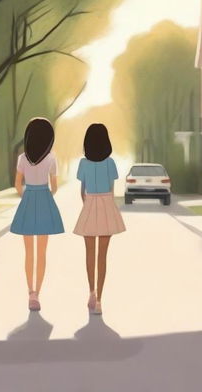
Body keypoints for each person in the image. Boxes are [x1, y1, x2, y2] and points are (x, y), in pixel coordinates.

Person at [10, 117, 64, 312]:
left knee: (28, 252)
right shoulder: (51, 158)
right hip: (44, 200)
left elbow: (17, 184)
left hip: (28, 200)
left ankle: (30, 292)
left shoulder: (22, 158)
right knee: (42, 252)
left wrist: (26, 195)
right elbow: (55, 187)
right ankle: (37, 294)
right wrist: (45, 196)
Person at [73, 123, 126, 315]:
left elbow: (82, 191)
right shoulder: (110, 163)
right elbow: (112, 190)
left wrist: (88, 205)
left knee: (89, 254)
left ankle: (91, 292)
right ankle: (100, 301)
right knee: (102, 256)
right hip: (106, 206)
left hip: (90, 205)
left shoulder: (83, 164)